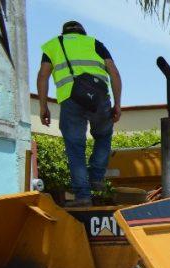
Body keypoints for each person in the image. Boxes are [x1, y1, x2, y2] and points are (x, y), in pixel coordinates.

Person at [37, 21, 122, 207]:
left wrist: (43, 106)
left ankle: (83, 196)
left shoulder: (53, 45)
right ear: (83, 33)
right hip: (99, 97)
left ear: (64, 32)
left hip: (71, 98)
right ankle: (97, 177)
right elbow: (114, 73)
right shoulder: (95, 43)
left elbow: (43, 76)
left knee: (75, 149)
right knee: (103, 135)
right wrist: (117, 104)